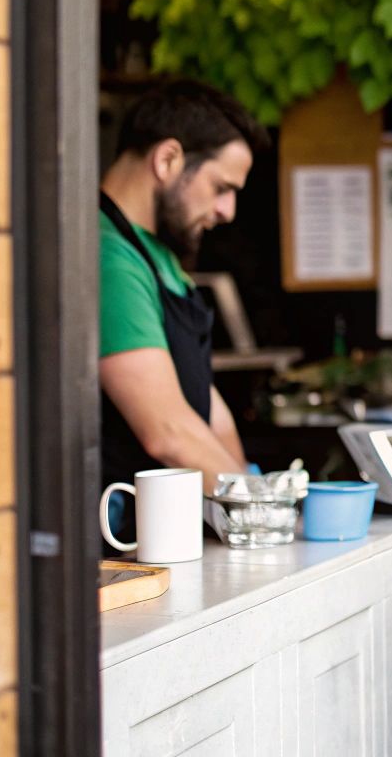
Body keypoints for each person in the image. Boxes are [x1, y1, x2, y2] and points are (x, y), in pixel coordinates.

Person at [99, 83, 268, 523]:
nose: (228, 210)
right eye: (220, 187)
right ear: (167, 159)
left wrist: (250, 489)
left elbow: (209, 413)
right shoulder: (107, 258)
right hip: (123, 548)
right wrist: (261, 514)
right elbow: (169, 431)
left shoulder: (159, 256)